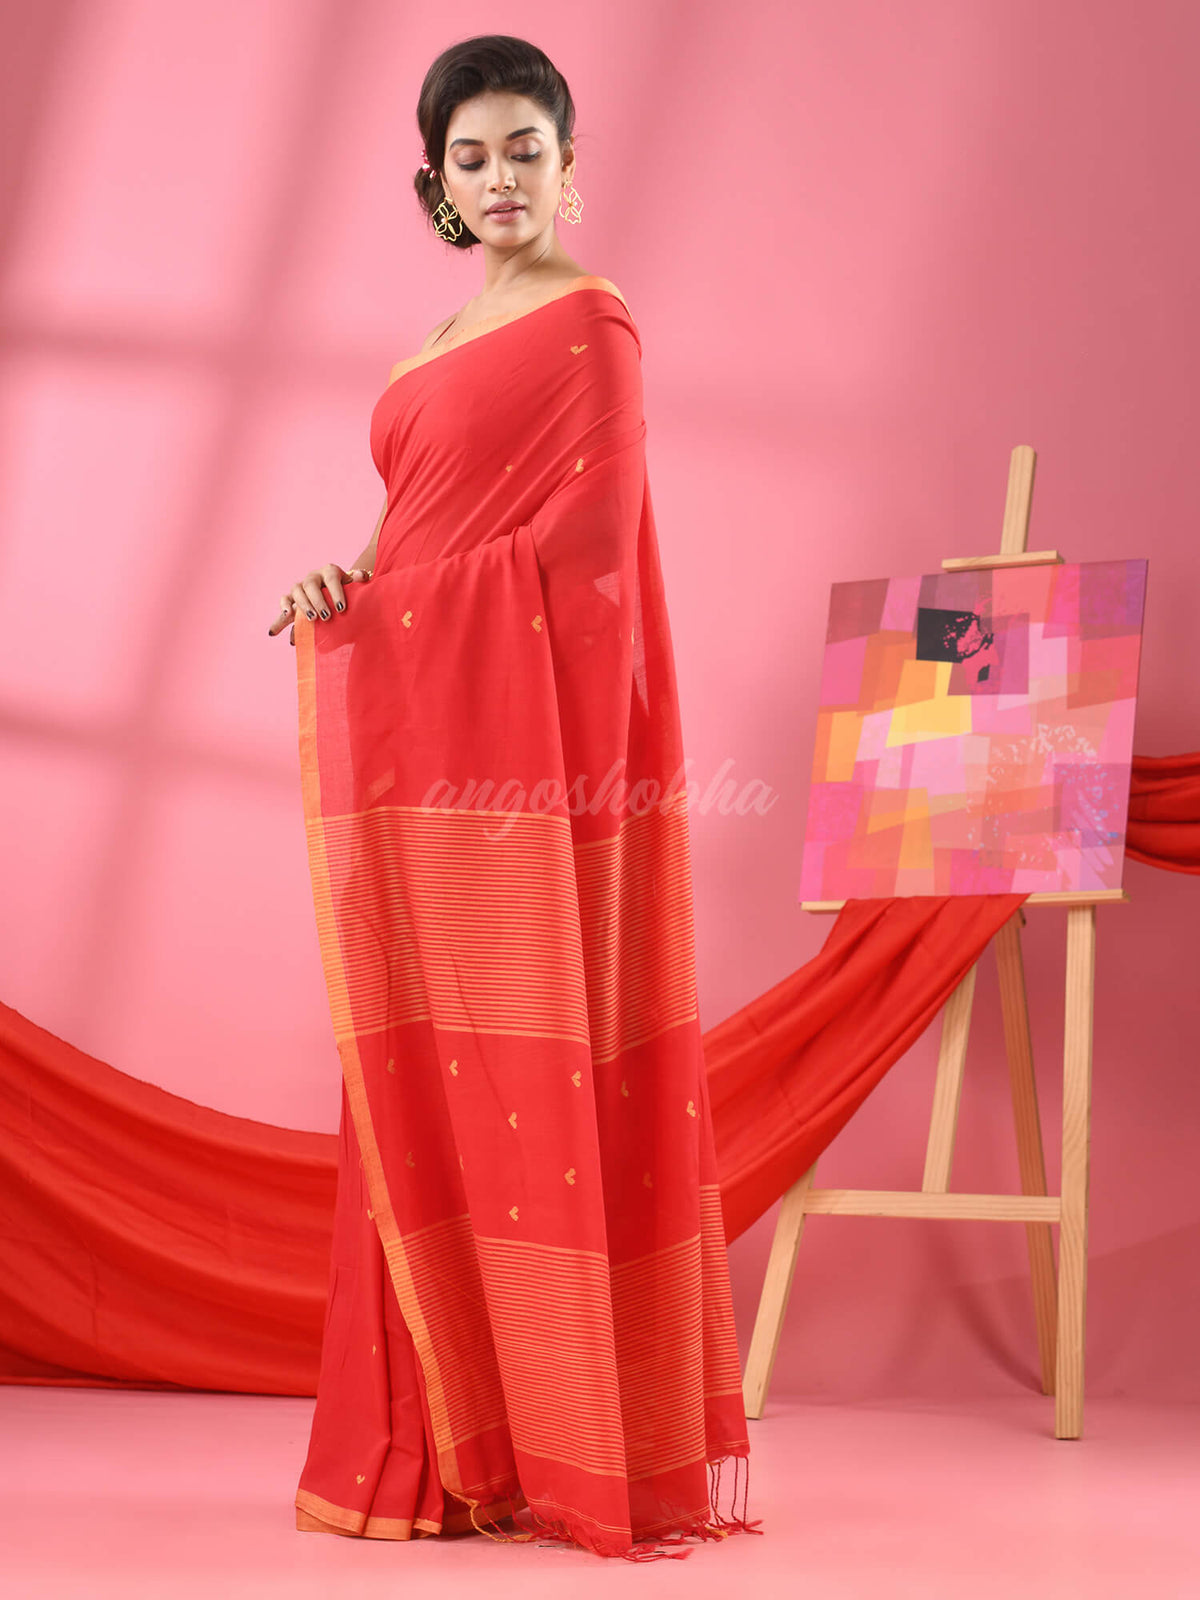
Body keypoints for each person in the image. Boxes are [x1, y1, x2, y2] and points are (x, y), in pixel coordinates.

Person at [268, 34, 759, 1562]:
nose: (500, 179)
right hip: (413, 738)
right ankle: (443, 1446)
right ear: (436, 181)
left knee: (525, 1058)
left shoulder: (589, 321)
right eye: (470, 158)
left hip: (511, 746)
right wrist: (347, 583)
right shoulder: (425, 348)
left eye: (524, 150)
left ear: (568, 162)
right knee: (413, 1069)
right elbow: (412, 522)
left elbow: (591, 543)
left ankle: (555, 1444)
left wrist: (409, 616)